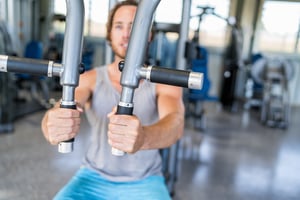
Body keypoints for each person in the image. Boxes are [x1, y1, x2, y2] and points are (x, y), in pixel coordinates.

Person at [41, 0, 184, 199]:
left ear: (148, 34)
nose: (126, 34)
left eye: (134, 26)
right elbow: (67, 104)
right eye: (119, 26)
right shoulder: (90, 79)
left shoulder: (165, 82)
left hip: (145, 180)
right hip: (92, 177)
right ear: (109, 34)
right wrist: (53, 120)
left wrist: (143, 137)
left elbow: (174, 125)